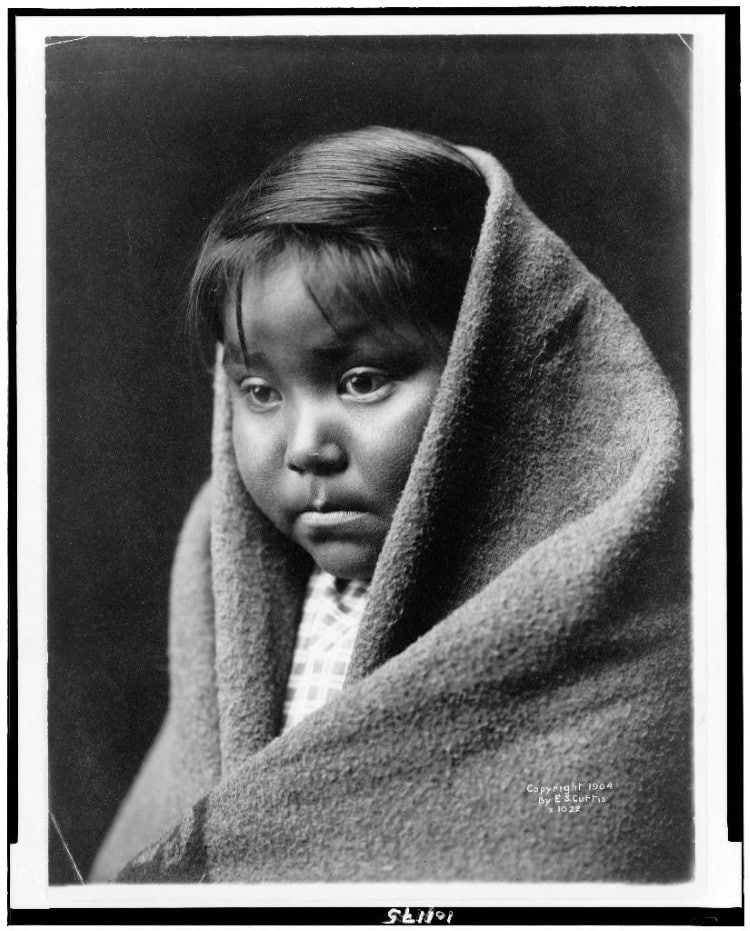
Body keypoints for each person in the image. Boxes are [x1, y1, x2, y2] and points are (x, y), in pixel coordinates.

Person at [91, 126, 692, 883]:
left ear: (489, 370)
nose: (306, 445)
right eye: (259, 391)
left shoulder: (597, 616)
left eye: (362, 379)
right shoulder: (230, 586)